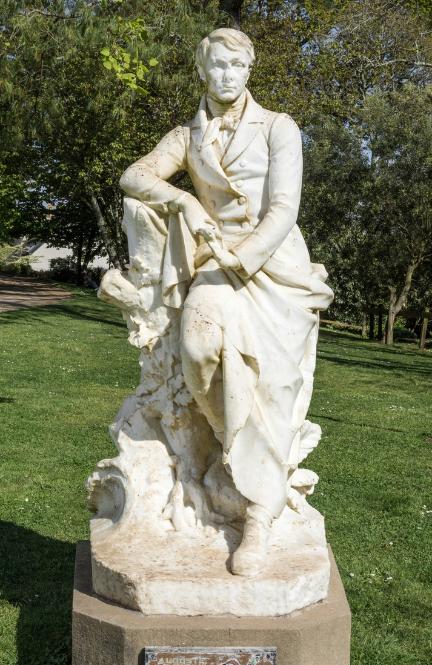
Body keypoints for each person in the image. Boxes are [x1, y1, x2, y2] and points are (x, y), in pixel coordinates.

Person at [120, 28, 333, 577]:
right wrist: (185, 200)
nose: (227, 77)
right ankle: (227, 447)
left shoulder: (278, 128)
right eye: (217, 66)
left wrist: (244, 257)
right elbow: (134, 177)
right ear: (203, 70)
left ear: (249, 70)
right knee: (197, 346)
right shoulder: (187, 135)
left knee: (270, 385)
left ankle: (259, 514)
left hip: (273, 266)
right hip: (216, 261)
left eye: (237, 67)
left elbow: (283, 208)